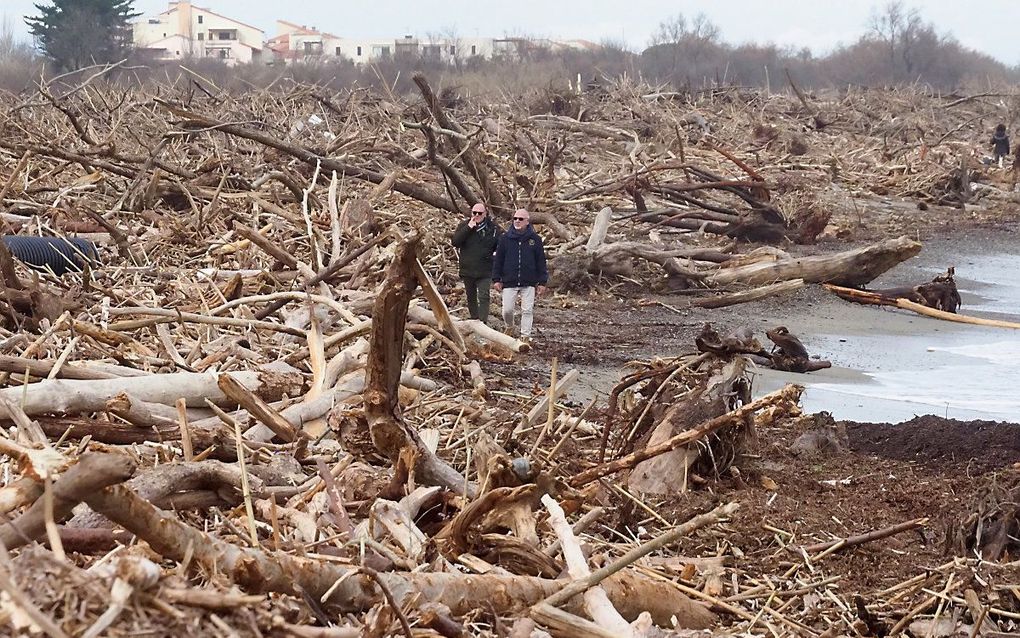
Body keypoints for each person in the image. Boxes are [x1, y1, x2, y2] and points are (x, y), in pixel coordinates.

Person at [492, 209, 548, 341]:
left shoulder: (535, 240)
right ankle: (509, 326)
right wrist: (496, 279)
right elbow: (498, 260)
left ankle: (525, 336)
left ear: (527, 222)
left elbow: (541, 261)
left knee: (527, 310)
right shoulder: (505, 239)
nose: (517, 221)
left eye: (520, 219)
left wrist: (542, 282)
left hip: (528, 281)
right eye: (515, 218)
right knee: (507, 310)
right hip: (509, 280)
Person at [451, 202, 501, 323]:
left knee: (484, 295)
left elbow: (499, 247)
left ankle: (482, 321)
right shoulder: (464, 225)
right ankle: (474, 319)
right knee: (470, 296)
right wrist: (469, 228)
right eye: (474, 213)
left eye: (480, 213)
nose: (477, 215)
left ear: (485, 213)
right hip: (468, 268)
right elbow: (455, 242)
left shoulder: (493, 228)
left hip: (485, 269)